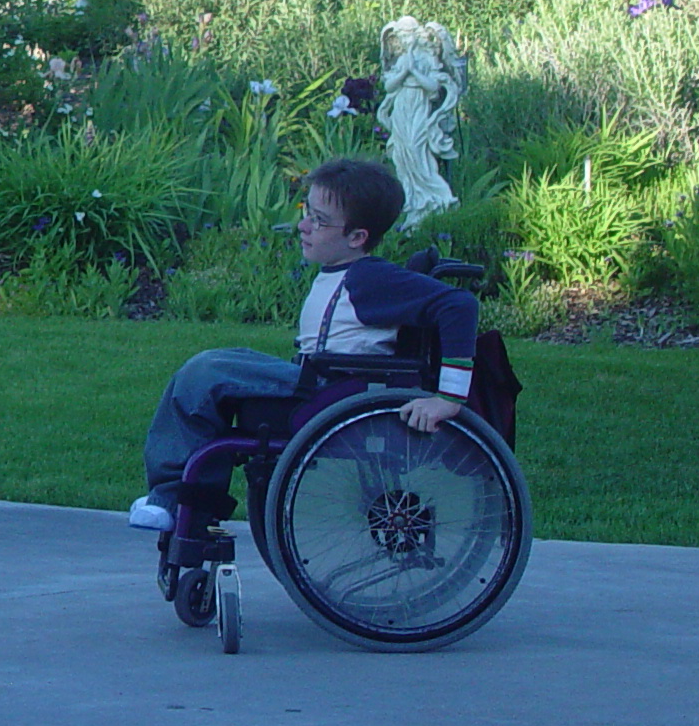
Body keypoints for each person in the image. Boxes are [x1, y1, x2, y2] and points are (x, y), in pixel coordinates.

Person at [125, 157, 477, 531]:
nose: (304, 226)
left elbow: (460, 304)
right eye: (307, 211)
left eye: (320, 220)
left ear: (357, 237)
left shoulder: (370, 278)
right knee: (215, 366)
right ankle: (192, 501)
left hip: (334, 391)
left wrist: (448, 399)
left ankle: (174, 501)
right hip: (322, 379)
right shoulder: (345, 273)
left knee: (205, 371)